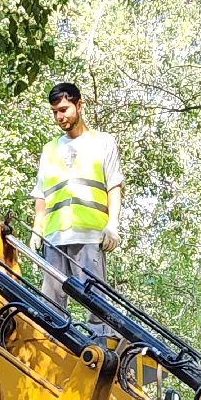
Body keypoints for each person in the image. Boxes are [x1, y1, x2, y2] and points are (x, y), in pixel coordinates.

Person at [30, 82, 124, 315]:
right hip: (54, 237)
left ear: (79, 105)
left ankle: (103, 346)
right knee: (50, 306)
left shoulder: (103, 142)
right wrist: (37, 229)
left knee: (96, 303)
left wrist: (112, 225)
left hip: (89, 235)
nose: (59, 117)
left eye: (64, 109)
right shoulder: (49, 150)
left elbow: (114, 185)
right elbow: (41, 194)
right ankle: (51, 347)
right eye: (54, 112)